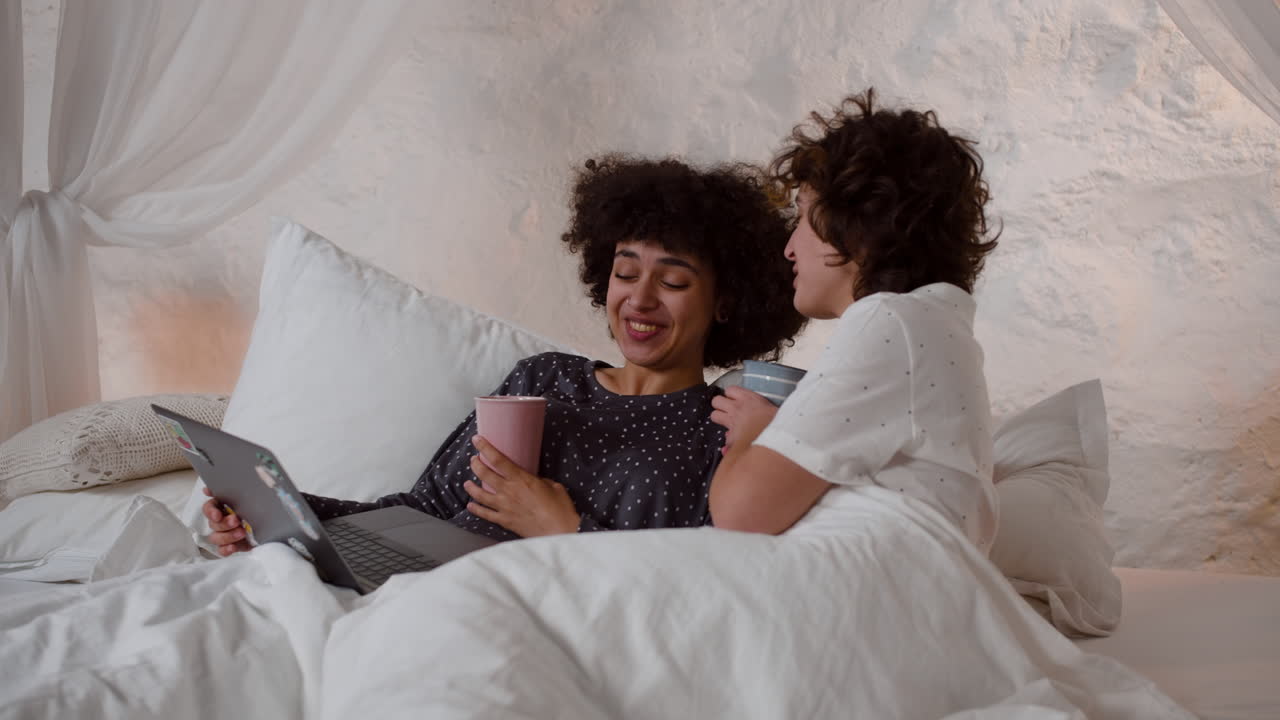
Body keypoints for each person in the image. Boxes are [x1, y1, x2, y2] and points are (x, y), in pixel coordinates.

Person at [205, 155, 806, 555]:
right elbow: (422, 510)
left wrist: (564, 528)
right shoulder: (543, 378)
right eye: (626, 273)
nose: (640, 299)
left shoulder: (720, 431)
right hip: (425, 587)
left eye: (672, 282)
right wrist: (283, 516)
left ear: (725, 301)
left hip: (541, 615)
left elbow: (693, 582)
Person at [708, 88, 1001, 552]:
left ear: (856, 222)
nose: (789, 248)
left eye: (803, 216)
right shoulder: (933, 325)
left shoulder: (891, 320)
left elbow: (739, 513)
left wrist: (755, 431)